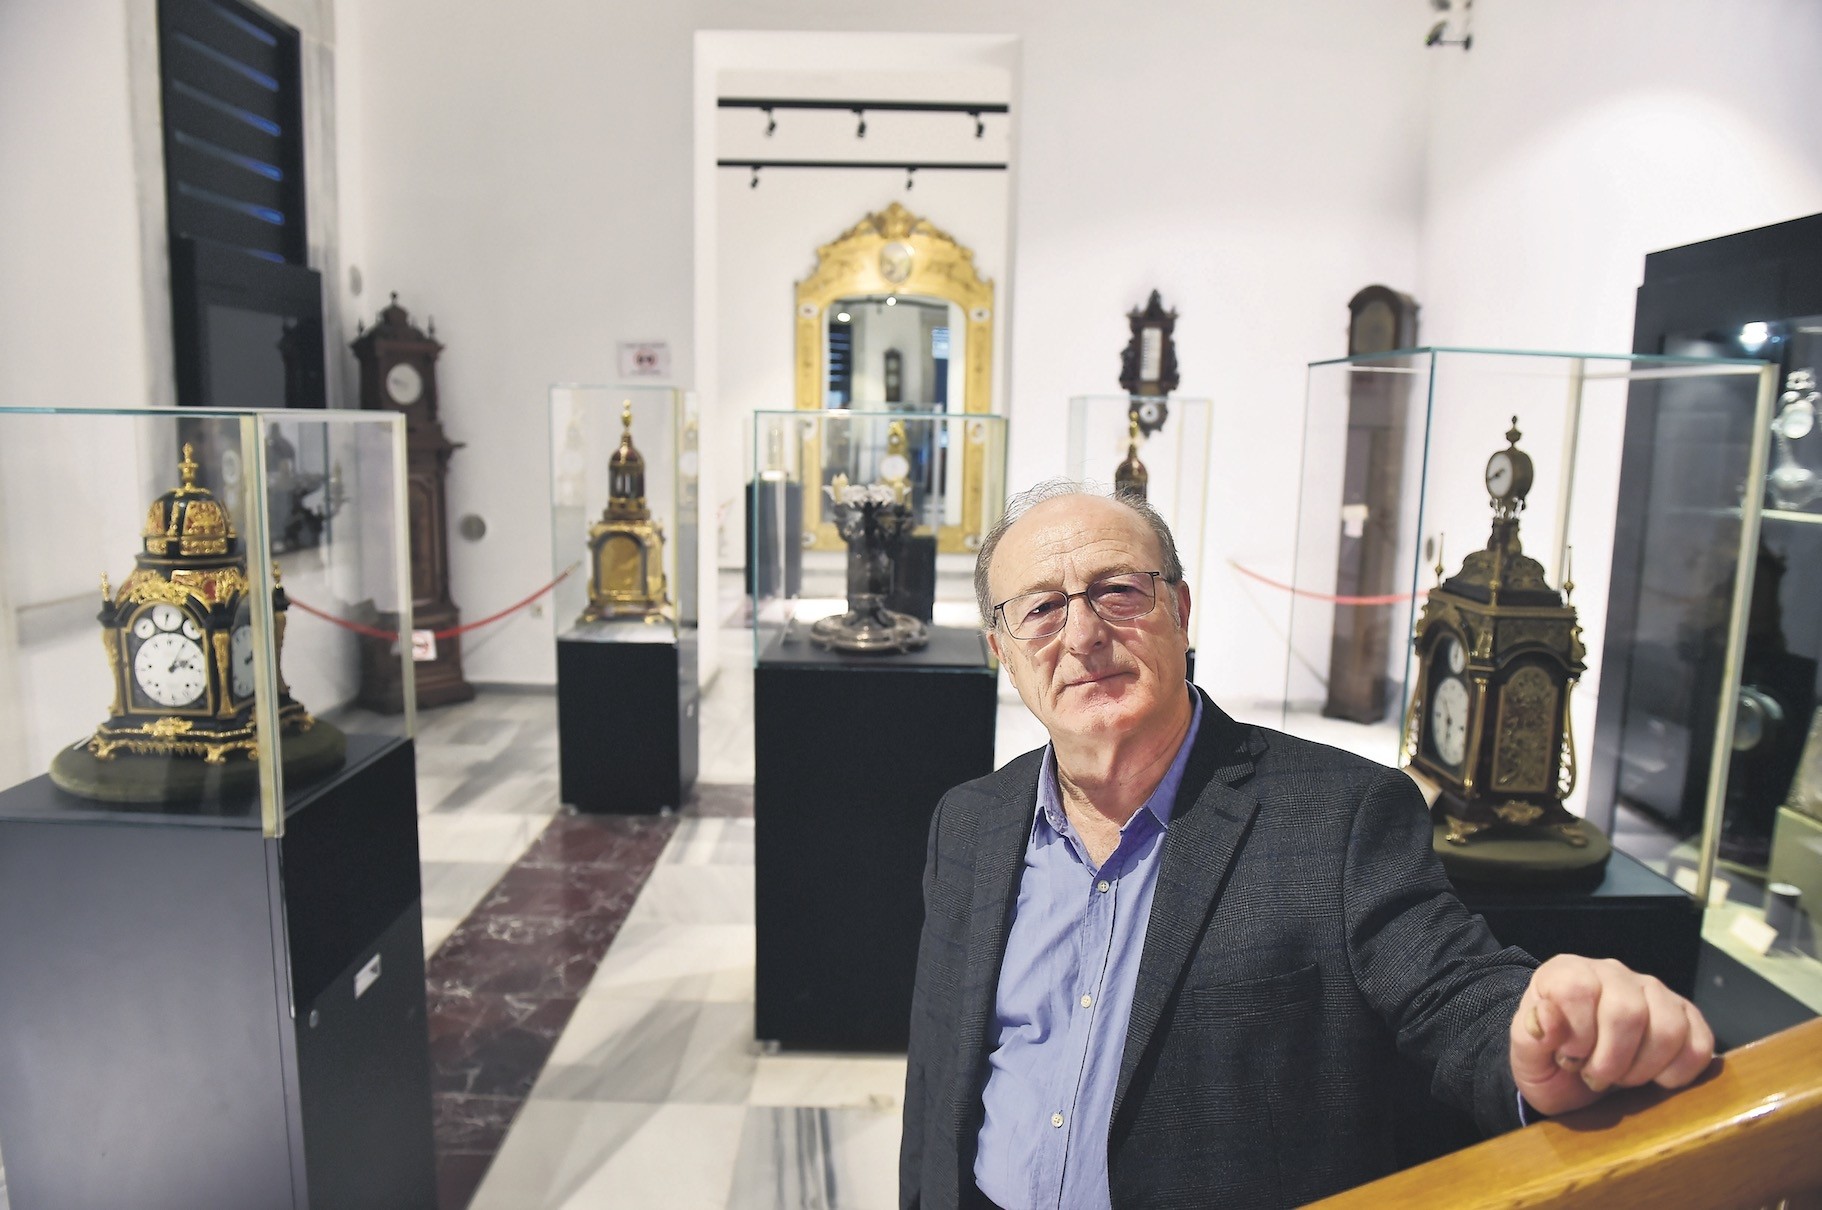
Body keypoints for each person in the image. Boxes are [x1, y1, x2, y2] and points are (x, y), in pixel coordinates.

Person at [899, 482, 1715, 1210]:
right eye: (1041, 608)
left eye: (1118, 591)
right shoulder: (970, 823)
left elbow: (1451, 989)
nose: (1082, 634)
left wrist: (1543, 1030)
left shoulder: (1340, 816)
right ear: (1001, 650)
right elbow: (940, 1074)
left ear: (1180, 611)